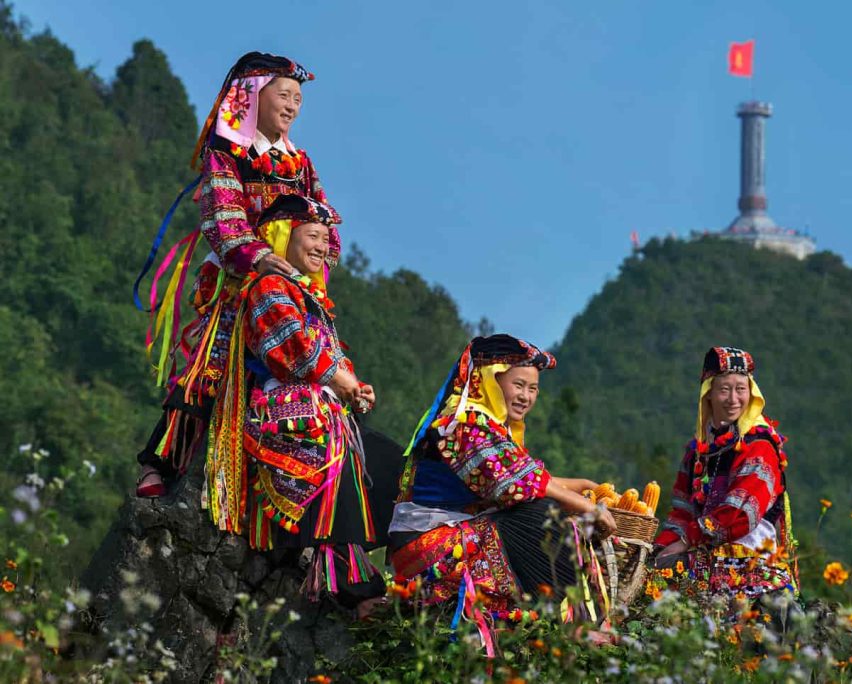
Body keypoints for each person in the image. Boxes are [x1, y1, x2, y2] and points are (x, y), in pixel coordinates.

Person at [136, 52, 338, 497]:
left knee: (298, 361)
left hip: (293, 285)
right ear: (253, 96)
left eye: (298, 100)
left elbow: (322, 217)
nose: (292, 107)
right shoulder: (226, 152)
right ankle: (163, 463)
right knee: (209, 369)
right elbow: (223, 216)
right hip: (237, 279)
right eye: (284, 95)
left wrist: (318, 257)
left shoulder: (299, 163)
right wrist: (259, 257)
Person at [207, 194, 399, 608]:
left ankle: (400, 574)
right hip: (287, 414)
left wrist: (356, 389)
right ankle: (352, 587)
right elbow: (294, 347)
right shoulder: (268, 287)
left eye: (326, 239)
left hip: (330, 413)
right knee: (335, 457)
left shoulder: (309, 297)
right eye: (313, 235)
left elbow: (333, 359)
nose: (322, 246)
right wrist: (342, 379)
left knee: (398, 469)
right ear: (283, 237)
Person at [388, 334, 616, 621]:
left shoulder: (488, 423)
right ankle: (558, 617)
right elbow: (519, 483)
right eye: (518, 385)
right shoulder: (462, 422)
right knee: (539, 514)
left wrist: (586, 486)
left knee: (544, 508)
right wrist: (588, 508)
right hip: (426, 545)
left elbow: (529, 476)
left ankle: (566, 615)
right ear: (490, 380)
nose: (526, 396)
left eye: (533, 388)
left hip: (452, 530)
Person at [654, 346, 798, 608]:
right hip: (703, 551)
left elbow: (741, 513)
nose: (733, 398)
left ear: (751, 392)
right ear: (708, 394)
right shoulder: (697, 450)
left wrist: (687, 540)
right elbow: (682, 511)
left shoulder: (759, 445)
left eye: (741, 389)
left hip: (751, 560)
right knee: (650, 571)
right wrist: (661, 546)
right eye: (724, 389)